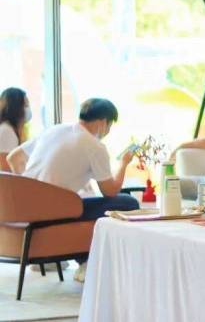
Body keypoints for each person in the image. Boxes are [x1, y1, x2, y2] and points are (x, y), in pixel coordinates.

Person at [7, 98, 139, 281]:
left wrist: (29, 187)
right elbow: (110, 191)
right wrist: (124, 163)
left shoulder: (55, 130)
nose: (108, 131)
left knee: (79, 202)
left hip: (23, 210)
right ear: (103, 122)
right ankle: (87, 261)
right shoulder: (94, 146)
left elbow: (14, 158)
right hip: (50, 214)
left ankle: (80, 259)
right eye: (109, 126)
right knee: (128, 202)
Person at [0, 87, 30, 172]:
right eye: (26, 105)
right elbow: (6, 171)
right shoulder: (7, 131)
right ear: (16, 108)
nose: (28, 109)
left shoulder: (9, 130)